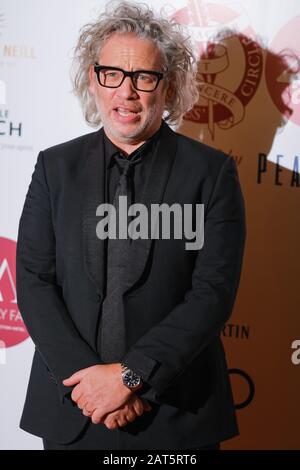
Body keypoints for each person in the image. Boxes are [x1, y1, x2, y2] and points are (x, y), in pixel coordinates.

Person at [16, 1, 246, 450]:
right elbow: (32, 279)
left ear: (168, 85)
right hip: (74, 410)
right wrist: (90, 388)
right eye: (112, 75)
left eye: (144, 77)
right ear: (93, 80)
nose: (127, 92)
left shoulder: (211, 173)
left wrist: (131, 377)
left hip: (177, 414)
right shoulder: (54, 167)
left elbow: (213, 292)